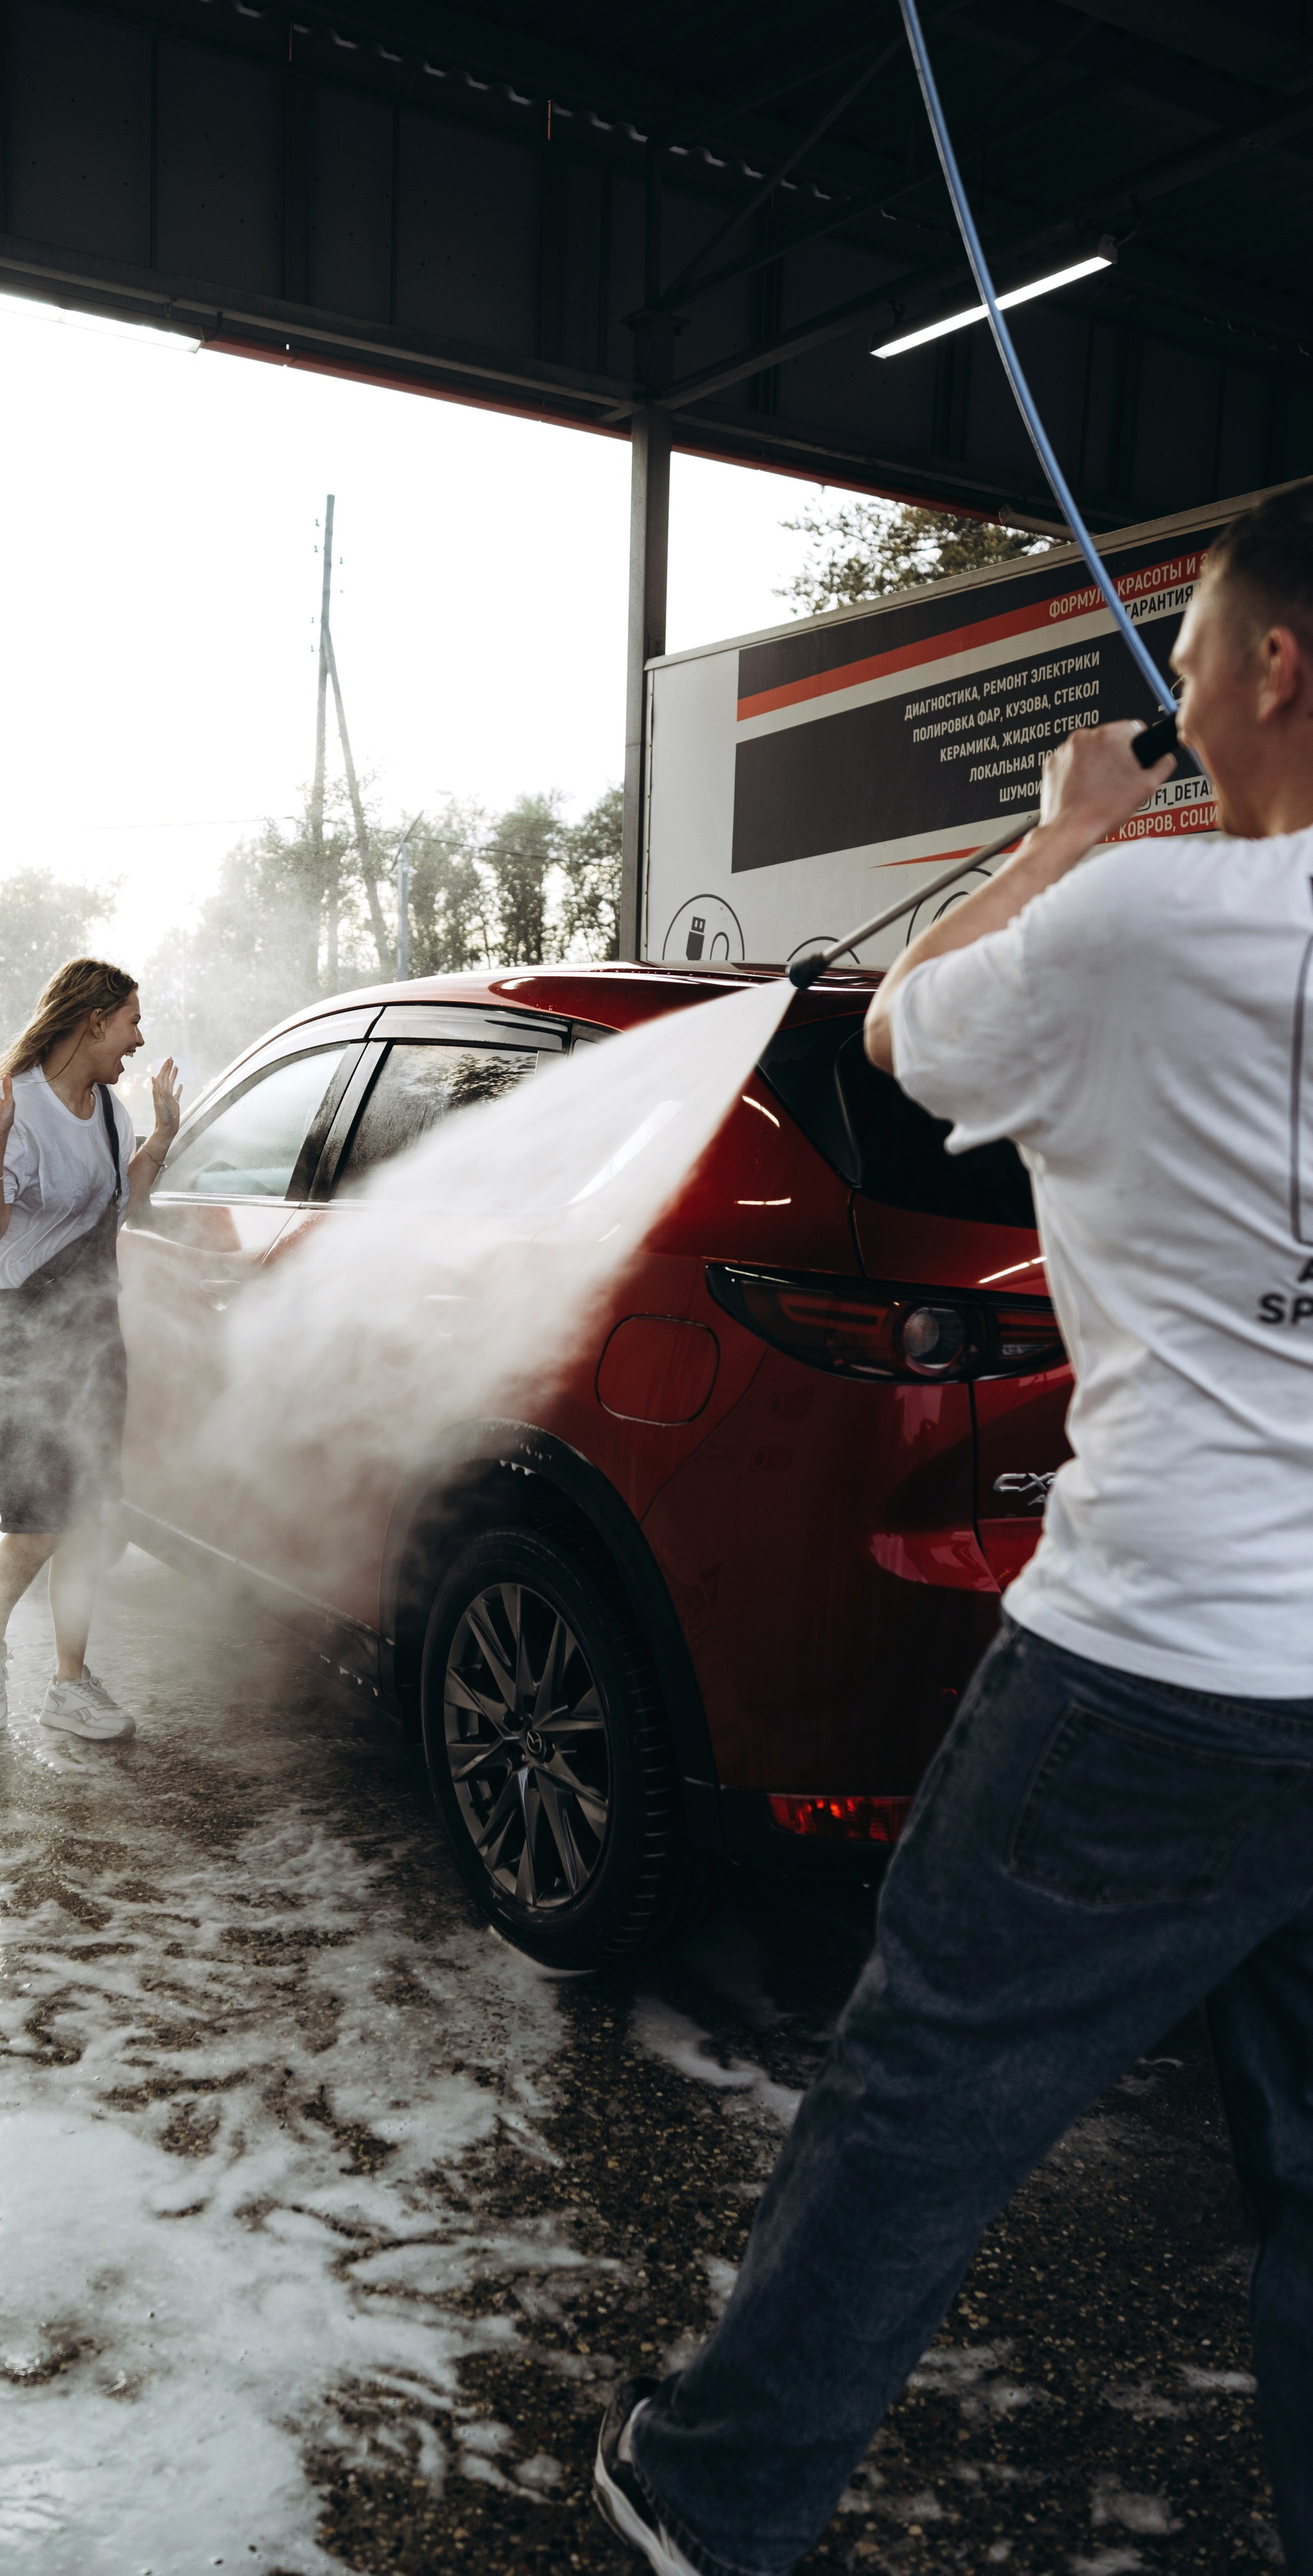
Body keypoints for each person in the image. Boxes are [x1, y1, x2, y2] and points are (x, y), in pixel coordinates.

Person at [595, 478, 1313, 2575]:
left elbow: (902, 1035)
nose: (1167, 702)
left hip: (1154, 1662)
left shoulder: (1137, 919)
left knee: (926, 2089)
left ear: (1272, 665)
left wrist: (1068, 825)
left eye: (1180, 660)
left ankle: (713, 2492)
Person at [0, 957, 182, 1741]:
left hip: (87, 1334)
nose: (139, 1038)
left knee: (86, 1516)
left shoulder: (109, 1110)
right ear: (93, 1021)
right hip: (10, 1339)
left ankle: (69, 1685)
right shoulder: (16, 1108)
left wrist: (162, 1138)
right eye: (131, 1021)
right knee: (41, 1520)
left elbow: (122, 1200)